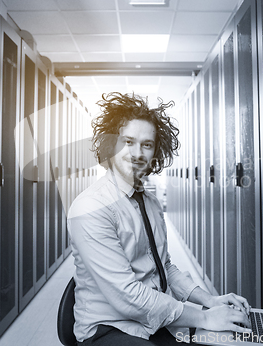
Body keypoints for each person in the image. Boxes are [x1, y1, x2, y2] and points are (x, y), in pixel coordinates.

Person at [67, 92, 251, 345]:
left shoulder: (150, 202)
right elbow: (127, 296)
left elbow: (164, 267)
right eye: (127, 142)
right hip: (109, 328)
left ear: (156, 151)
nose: (137, 153)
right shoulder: (91, 208)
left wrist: (209, 301)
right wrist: (205, 318)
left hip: (151, 319)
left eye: (147, 144)